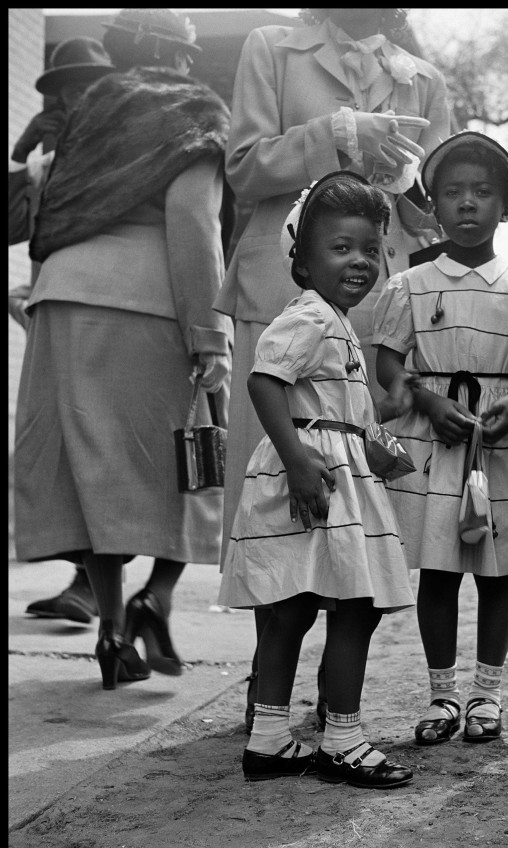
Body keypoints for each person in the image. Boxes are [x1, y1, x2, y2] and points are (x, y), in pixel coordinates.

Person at [212, 7, 451, 732]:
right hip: (279, 293)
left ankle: (335, 692)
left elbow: (434, 216)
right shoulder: (271, 47)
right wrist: (336, 137)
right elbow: (244, 168)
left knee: (359, 498)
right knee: (274, 490)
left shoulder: (424, 79)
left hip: (377, 301)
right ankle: (269, 687)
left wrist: (410, 186)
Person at [14, 8, 232, 690]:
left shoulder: (90, 104)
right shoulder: (194, 108)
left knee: (93, 470)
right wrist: (210, 334)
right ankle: (155, 597)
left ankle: (110, 629)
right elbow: (193, 223)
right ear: (175, 54)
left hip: (61, 299)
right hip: (146, 303)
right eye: (187, 53)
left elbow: (47, 207)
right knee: (191, 461)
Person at [373, 132, 508, 746]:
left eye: (482, 192)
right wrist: (429, 401)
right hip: (436, 441)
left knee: (496, 571)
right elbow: (387, 365)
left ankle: (487, 693)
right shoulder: (409, 285)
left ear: (507, 208)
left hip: (501, 442)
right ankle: (443, 695)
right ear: (433, 205)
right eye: (453, 192)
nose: (467, 202)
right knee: (438, 570)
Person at [218, 171, 417, 788]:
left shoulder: (335, 320)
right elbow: (263, 381)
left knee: (294, 609)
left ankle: (269, 739)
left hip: (332, 472)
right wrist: (300, 462)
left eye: (371, 249)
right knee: (354, 608)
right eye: (341, 247)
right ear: (302, 263)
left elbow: (336, 407)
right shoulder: (311, 315)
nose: (361, 261)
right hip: (313, 479)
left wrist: (381, 422)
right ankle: (343, 740)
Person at [9, 37, 116, 625]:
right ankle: (87, 582)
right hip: (54, 311)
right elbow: (13, 226)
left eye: (81, 87)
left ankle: (98, 588)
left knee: (97, 447)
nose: (71, 99)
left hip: (104, 314)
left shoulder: (120, 142)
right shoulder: (46, 152)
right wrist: (23, 153)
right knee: (59, 451)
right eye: (61, 91)